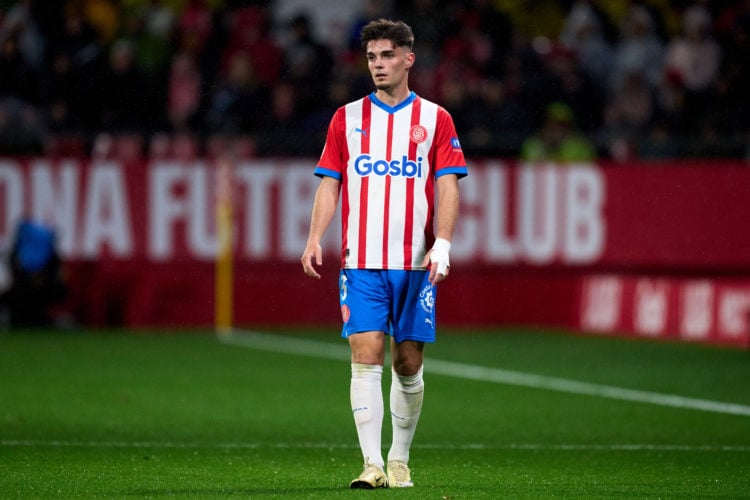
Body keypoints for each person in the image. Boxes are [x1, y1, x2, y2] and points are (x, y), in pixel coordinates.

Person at [300, 19, 468, 489]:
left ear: (408, 59)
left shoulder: (435, 119)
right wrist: (315, 237)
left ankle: (399, 457)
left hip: (416, 263)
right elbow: (330, 183)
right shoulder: (346, 118)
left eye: (387, 56)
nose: (378, 64)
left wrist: (445, 243)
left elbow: (447, 183)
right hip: (362, 261)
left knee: (407, 362)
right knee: (365, 354)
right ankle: (372, 464)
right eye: (372, 57)